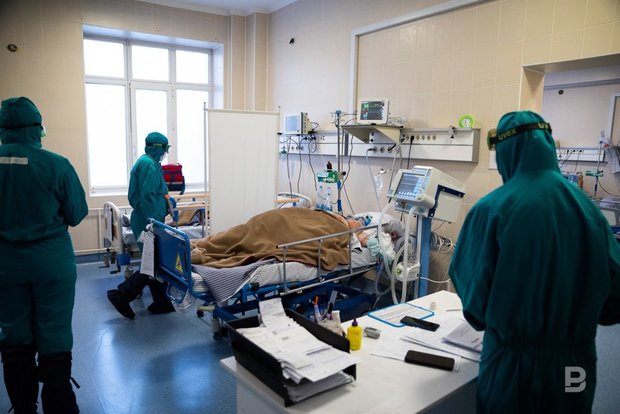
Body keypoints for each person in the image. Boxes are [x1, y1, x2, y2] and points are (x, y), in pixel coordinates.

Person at [448, 110, 620, 413]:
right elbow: (614, 304)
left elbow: (475, 307)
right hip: (574, 368)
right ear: (548, 145)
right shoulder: (591, 213)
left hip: (510, 370)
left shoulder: (491, 210)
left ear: (505, 150)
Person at [0, 97, 88, 413]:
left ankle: (23, 406)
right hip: (51, 264)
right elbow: (77, 213)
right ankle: (59, 404)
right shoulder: (56, 164)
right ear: (37, 127)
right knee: (55, 332)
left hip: (6, 267)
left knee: (14, 335)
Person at [107, 132, 176, 319]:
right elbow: (146, 197)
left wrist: (167, 201)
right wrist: (153, 222)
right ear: (159, 148)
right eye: (165, 149)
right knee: (151, 263)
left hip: (149, 219)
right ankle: (120, 295)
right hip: (148, 221)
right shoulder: (147, 165)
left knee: (155, 261)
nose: (165, 153)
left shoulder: (151, 163)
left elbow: (157, 191)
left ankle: (161, 302)